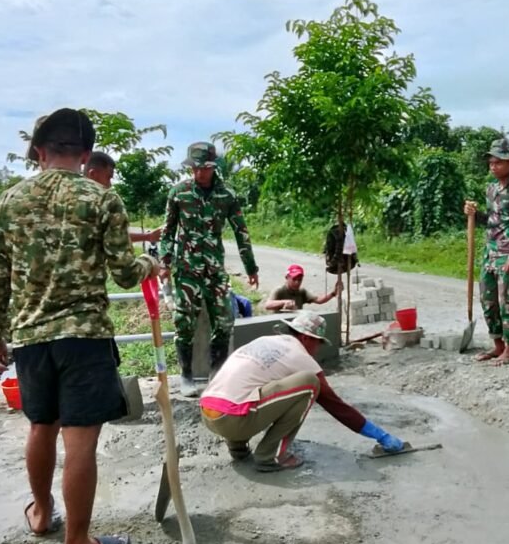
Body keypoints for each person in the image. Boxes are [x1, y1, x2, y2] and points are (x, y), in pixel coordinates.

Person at [0, 108, 159, 544]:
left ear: (40, 151)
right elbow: (125, 272)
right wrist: (151, 265)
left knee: (41, 426)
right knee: (80, 439)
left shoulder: (9, 201)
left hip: (30, 338)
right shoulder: (101, 198)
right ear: (84, 155)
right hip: (84, 337)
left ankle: (42, 514)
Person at [199, 310, 405, 472]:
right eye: (318, 343)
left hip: (209, 414)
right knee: (309, 384)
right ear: (307, 338)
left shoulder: (264, 342)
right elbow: (335, 405)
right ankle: (270, 456)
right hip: (234, 421)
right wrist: (380, 435)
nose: (317, 349)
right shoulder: (299, 355)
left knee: (248, 388)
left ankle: (238, 448)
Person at [159, 141, 259, 397]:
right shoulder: (179, 193)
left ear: (213, 167)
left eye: (203, 168)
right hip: (187, 270)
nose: (198, 173)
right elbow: (167, 232)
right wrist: (164, 263)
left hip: (215, 270)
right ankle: (187, 375)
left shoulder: (227, 196)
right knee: (184, 323)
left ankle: (217, 375)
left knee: (224, 321)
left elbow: (241, 233)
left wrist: (251, 267)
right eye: (194, 168)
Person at [464, 137, 509, 366]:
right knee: (488, 299)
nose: (493, 166)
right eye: (491, 162)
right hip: (490, 252)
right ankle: (498, 345)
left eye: (498, 162)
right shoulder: (491, 189)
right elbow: (492, 221)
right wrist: (474, 215)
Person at [84, 150, 162, 245]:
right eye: (108, 178)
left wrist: (148, 236)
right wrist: (148, 237)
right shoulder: (106, 201)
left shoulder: (68, 194)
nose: (110, 184)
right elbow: (116, 238)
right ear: (93, 174)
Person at [264, 264, 341, 312]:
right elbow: (267, 305)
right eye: (294, 279)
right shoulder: (279, 290)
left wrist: (333, 293)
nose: (297, 282)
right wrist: (284, 302)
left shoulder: (301, 291)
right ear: (287, 277)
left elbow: (318, 300)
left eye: (300, 280)